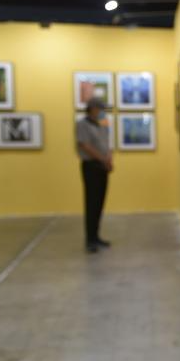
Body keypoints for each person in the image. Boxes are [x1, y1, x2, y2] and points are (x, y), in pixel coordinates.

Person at [76, 97, 113, 253]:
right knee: (91, 203)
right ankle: (90, 239)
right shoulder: (82, 124)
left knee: (100, 202)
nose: (102, 112)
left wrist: (109, 159)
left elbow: (107, 142)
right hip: (91, 166)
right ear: (92, 109)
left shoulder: (103, 122)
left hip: (103, 166)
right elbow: (85, 145)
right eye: (100, 108)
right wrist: (103, 159)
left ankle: (96, 236)